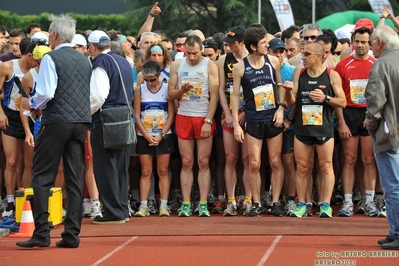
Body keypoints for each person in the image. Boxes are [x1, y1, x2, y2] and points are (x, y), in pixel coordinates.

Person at [17, 14, 92, 248]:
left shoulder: (51, 58)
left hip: (56, 121)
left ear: (55, 35)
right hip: (80, 122)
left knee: (41, 176)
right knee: (74, 177)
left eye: (50, 34)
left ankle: (41, 232)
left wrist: (32, 105)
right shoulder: (84, 60)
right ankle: (71, 235)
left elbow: (47, 92)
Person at [283, 42, 346, 218]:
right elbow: (291, 101)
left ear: (318, 56)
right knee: (302, 167)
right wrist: (288, 92)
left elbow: (343, 102)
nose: (302, 58)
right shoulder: (299, 72)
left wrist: (325, 98)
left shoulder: (331, 75)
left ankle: (325, 204)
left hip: (324, 128)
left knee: (325, 166)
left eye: (306, 54)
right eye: (302, 54)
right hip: (302, 128)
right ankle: (302, 203)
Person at [232, 26, 286, 217]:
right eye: (264, 43)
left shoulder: (273, 61)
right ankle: (256, 202)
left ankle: (276, 201)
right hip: (253, 120)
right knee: (254, 163)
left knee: (275, 161)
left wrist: (281, 108)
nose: (267, 45)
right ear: (253, 46)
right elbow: (234, 96)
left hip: (273, 118)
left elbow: (280, 87)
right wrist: (236, 124)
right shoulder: (240, 67)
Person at [168, 35, 219, 217]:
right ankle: (187, 203)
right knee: (187, 162)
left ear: (201, 50)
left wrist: (208, 120)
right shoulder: (177, 65)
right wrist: (182, 90)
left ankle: (203, 203)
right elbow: (171, 94)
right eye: (188, 53)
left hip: (202, 116)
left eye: (195, 53)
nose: (191, 57)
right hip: (184, 116)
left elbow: (215, 95)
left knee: (203, 162)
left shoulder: (209, 65)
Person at [334, 26, 380, 217]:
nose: (360, 45)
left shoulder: (376, 63)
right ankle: (347, 202)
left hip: (369, 114)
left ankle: (369, 201)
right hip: (349, 113)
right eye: (357, 42)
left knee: (369, 159)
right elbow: (337, 97)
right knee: (349, 159)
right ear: (352, 42)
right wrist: (341, 122)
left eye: (364, 42)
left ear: (370, 43)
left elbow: (379, 94)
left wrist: (371, 115)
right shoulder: (342, 65)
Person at [88, 30, 133, 224]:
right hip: (124, 117)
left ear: (92, 47)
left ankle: (113, 212)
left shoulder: (101, 62)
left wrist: (85, 112)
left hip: (106, 119)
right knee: (121, 167)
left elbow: (98, 96)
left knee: (105, 166)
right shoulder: (123, 60)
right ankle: (122, 208)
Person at [365, 25, 399, 250]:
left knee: (393, 186)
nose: (369, 48)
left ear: (379, 42)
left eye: (370, 43)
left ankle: (397, 232)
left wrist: (370, 125)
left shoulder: (381, 64)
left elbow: (375, 104)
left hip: (390, 134)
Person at [0, 37, 37, 217]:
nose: (37, 63)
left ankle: (25, 200)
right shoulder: (7, 66)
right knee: (12, 161)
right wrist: (0, 113)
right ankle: (9, 200)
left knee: (28, 162)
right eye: (35, 59)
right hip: (10, 116)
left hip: (29, 117)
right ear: (29, 55)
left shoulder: (37, 71)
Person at [134, 60, 175, 217]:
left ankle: (163, 205)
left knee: (163, 170)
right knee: (145, 171)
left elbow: (171, 114)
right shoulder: (140, 90)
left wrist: (162, 135)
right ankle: (144, 205)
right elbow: (137, 115)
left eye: (153, 79)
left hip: (163, 134)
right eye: (146, 80)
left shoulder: (166, 88)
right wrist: (145, 135)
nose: (150, 83)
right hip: (145, 134)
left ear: (159, 75)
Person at [217, 26, 250, 216]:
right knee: (230, 158)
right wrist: (228, 114)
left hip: (249, 114)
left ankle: (247, 199)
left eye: (232, 44)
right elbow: (221, 89)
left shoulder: (251, 60)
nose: (229, 47)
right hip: (229, 114)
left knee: (247, 159)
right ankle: (231, 200)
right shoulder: (223, 60)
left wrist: (245, 112)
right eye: (227, 44)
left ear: (242, 42)